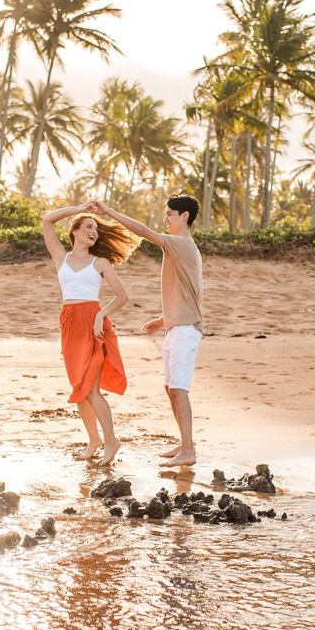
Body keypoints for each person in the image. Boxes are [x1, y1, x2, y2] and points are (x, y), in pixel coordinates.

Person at [88, 196, 203, 467]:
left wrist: (108, 210)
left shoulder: (182, 243)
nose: (165, 219)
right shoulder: (179, 248)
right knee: (170, 387)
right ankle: (186, 444)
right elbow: (187, 292)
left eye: (169, 214)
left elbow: (142, 232)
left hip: (187, 329)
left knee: (178, 388)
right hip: (178, 326)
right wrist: (163, 320)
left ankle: (188, 451)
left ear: (184, 216)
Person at [41, 203, 142, 465]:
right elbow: (47, 220)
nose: (94, 231)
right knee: (80, 388)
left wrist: (100, 314)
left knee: (92, 389)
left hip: (93, 324)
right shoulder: (60, 257)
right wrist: (79, 208)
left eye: (96, 228)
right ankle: (94, 439)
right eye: (88, 226)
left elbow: (122, 296)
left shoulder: (100, 262)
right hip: (70, 324)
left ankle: (111, 442)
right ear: (74, 231)